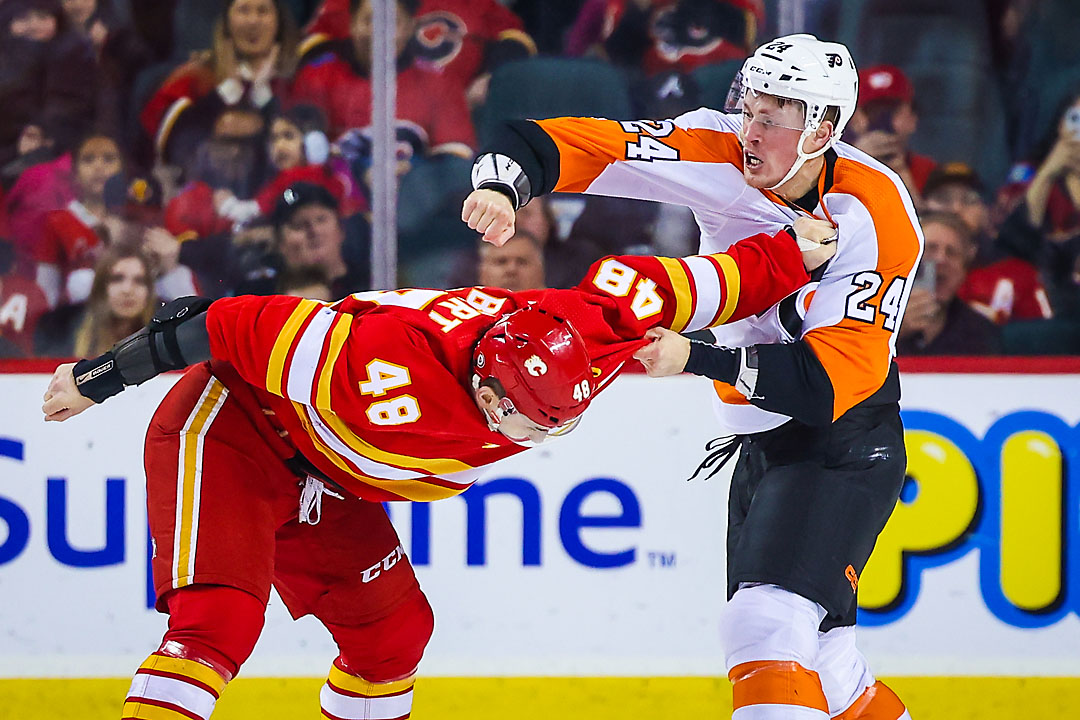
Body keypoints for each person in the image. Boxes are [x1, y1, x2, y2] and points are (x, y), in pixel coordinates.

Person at [41, 222, 829, 719]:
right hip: (238, 431)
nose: (532, 435)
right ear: (484, 385)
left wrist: (793, 253)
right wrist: (98, 378)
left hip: (334, 480)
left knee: (393, 636)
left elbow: (692, 282)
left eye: (553, 421)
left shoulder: (581, 332)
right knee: (218, 624)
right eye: (519, 418)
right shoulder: (379, 363)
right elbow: (217, 323)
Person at [463, 33, 919, 720]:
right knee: (828, 663)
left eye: (774, 116)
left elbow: (826, 387)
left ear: (823, 127)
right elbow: (553, 141)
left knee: (761, 626)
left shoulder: (875, 214)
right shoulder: (718, 146)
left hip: (844, 443)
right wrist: (503, 185)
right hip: (760, 443)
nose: (751, 130)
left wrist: (694, 357)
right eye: (750, 106)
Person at [140, 0, 299, 166]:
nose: (253, 21)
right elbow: (176, 149)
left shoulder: (297, 78)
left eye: (263, 11)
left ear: (279, 22)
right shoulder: (195, 79)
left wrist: (262, 96)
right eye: (243, 10)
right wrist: (226, 93)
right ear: (226, 21)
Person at [35, 133, 123, 308]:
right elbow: (46, 290)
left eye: (109, 159)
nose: (99, 167)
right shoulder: (58, 222)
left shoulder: (134, 218)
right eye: (88, 159)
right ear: (75, 173)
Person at [896, 211, 1002, 356]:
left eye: (951, 252)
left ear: (963, 271)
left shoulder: (981, 332)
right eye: (930, 248)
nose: (940, 259)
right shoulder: (874, 317)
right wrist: (894, 332)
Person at [34, 243, 157, 357]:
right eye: (117, 279)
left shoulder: (164, 332)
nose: (127, 290)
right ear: (101, 287)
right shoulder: (60, 328)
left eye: (139, 281)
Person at [848, 64, 937, 204]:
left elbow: (940, 223)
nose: (882, 121)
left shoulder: (929, 172)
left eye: (891, 111)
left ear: (912, 118)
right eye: (872, 112)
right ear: (854, 118)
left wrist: (902, 177)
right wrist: (853, 163)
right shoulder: (829, 163)